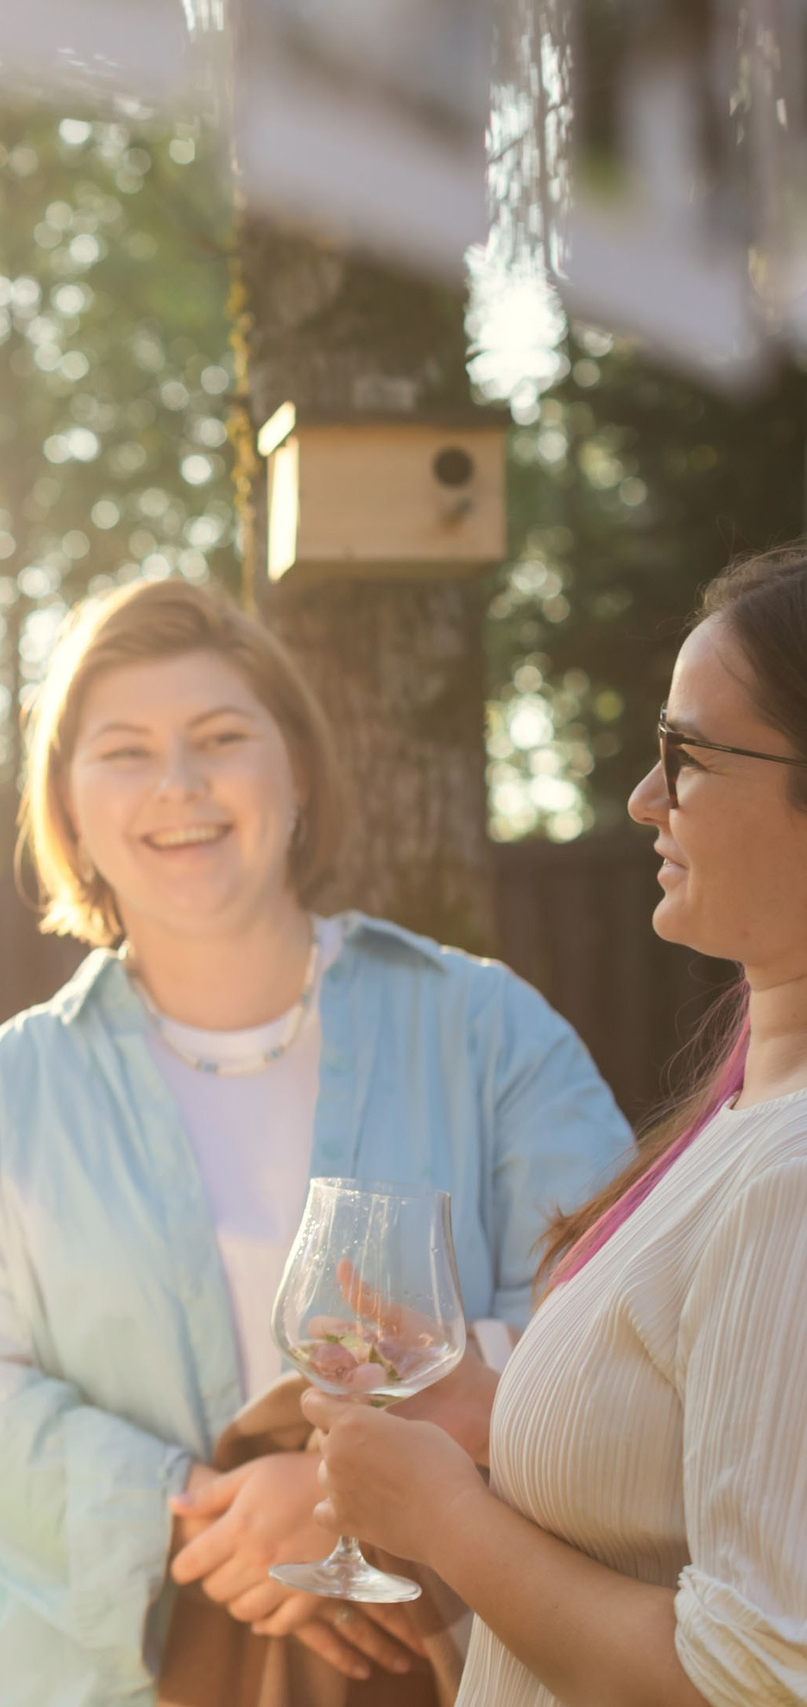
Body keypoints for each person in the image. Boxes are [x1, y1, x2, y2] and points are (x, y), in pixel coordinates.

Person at [0, 577, 633, 1705]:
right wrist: (199, 1515)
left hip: (446, 1666)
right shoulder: (0, 1093)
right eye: (123, 751)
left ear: (299, 775)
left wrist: (340, 1490)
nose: (177, 785)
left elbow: (611, 1329)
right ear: (69, 806)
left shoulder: (485, 1030)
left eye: (220, 738)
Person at [307, 546, 807, 1705]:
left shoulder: (791, 1175)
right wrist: (493, 1415)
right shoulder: (745, 1122)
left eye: (686, 756)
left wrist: (438, 1515)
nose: (643, 796)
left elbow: (753, 1678)